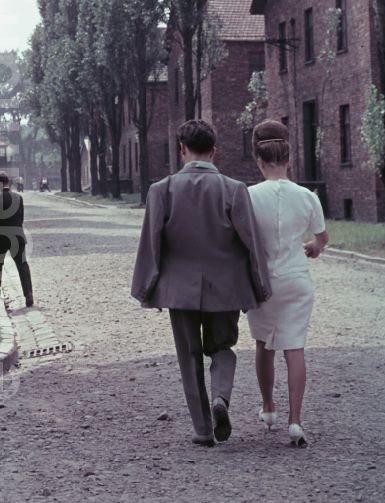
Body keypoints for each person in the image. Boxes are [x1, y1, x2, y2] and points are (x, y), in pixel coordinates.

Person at [131, 119, 271, 447]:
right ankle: (221, 398)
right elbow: (252, 241)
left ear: (182, 150)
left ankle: (203, 429)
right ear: (215, 151)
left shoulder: (161, 190)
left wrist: (146, 288)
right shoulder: (234, 189)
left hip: (179, 290)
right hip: (226, 287)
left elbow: (151, 242)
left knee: (189, 356)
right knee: (222, 347)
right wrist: (260, 286)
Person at [246, 119, 329, 448]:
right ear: (289, 161)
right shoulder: (307, 196)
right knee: (295, 348)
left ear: (260, 162)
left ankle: (268, 408)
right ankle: (296, 421)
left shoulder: (249, 196)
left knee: (264, 345)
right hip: (296, 278)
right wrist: (313, 248)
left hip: (263, 280)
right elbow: (322, 237)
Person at [0, 170, 34, 308]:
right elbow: (21, 218)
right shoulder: (18, 197)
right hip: (17, 235)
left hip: (2, 235)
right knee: (22, 265)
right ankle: (28, 294)